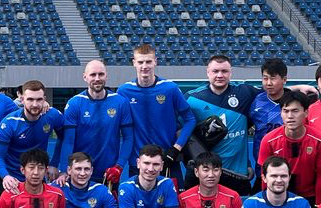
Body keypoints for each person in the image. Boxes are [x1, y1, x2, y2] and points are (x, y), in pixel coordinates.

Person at [117, 44, 195, 182]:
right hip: (138, 162)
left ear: (155, 62)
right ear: (134, 63)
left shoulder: (170, 88)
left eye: (148, 61)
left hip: (168, 159)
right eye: (140, 62)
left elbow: (190, 119)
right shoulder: (124, 91)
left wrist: (176, 148)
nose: (144, 66)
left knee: (172, 196)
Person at [185, 54, 258, 194]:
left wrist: (299, 88)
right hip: (206, 175)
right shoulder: (192, 99)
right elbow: (179, 131)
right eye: (215, 71)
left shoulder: (244, 93)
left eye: (224, 71)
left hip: (237, 174)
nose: (220, 75)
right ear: (208, 72)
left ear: (231, 73)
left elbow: (274, 93)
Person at [61, 59, 132, 185]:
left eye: (101, 74)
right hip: (81, 172)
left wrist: (119, 166)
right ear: (85, 77)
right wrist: (64, 170)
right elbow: (68, 141)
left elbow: (128, 138)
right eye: (93, 74)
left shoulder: (120, 102)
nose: (97, 78)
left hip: (109, 173)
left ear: (106, 76)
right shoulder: (75, 103)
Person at [255, 90, 321, 203]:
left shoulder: (320, 140)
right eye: (285, 111)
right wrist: (267, 203)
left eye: (295, 111)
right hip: (280, 196)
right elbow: (265, 175)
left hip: (309, 197)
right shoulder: (268, 140)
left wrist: (318, 204)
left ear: (306, 113)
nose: (290, 116)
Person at [0, 80, 70, 194]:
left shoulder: (52, 115)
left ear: (44, 99)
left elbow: (65, 138)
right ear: (22, 99)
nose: (35, 104)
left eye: (39, 99)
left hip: (38, 176)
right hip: (13, 179)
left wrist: (54, 164)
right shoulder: (10, 123)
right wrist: (5, 176)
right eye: (30, 99)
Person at [249, 58, 292, 153]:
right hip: (261, 159)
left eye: (273, 78)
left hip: (287, 158)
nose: (268, 83)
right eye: (265, 78)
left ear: (284, 80)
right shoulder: (256, 101)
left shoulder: (294, 102)